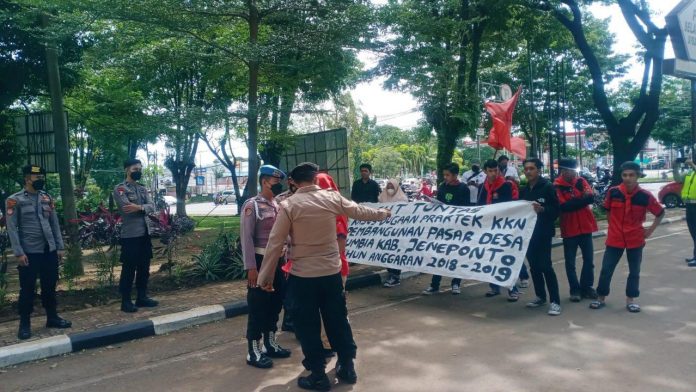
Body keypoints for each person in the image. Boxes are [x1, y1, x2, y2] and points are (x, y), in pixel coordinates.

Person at [257, 162, 390, 390]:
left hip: (303, 278)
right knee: (337, 319)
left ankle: (318, 374)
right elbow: (359, 211)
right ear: (316, 179)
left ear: (294, 183)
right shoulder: (331, 198)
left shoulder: (289, 205)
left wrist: (265, 277)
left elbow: (275, 242)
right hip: (331, 274)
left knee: (308, 325)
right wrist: (383, 214)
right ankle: (347, 366)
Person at [6, 164, 72, 340]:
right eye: (37, 178)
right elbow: (12, 229)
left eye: (42, 177)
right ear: (27, 179)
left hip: (48, 250)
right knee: (27, 289)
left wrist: (59, 247)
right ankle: (25, 324)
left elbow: (54, 224)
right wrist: (19, 253)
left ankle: (52, 317)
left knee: (49, 286)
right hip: (29, 252)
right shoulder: (14, 200)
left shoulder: (47, 198)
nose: (41, 180)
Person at [591, 162, 665, 312]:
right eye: (625, 175)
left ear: (638, 176)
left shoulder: (645, 196)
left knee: (634, 271)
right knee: (606, 269)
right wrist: (612, 226)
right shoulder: (613, 192)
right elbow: (608, 210)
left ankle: (630, 300)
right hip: (615, 238)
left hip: (635, 239)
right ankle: (600, 297)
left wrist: (649, 231)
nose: (627, 178)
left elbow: (660, 213)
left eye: (631, 175)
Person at [241, 164, 291, 368]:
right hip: (260, 262)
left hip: (279, 262)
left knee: (275, 304)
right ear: (264, 181)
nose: (278, 185)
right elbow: (246, 239)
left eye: (280, 182)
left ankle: (270, 343)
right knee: (258, 305)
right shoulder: (252, 205)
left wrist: (286, 263)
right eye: (275, 182)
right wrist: (251, 267)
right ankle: (253, 350)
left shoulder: (279, 205)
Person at [478, 159, 527, 301]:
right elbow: (480, 206)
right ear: (485, 171)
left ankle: (513, 289)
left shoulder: (506, 186)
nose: (493, 174)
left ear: (499, 171)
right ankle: (494, 287)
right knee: (490, 258)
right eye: (490, 171)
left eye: (495, 171)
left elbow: (509, 207)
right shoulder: (483, 187)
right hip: (488, 229)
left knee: (506, 259)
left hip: (504, 229)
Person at [114, 159, 159, 313]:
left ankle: (142, 297)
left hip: (145, 233)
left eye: (140, 168)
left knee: (144, 267)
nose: (138, 171)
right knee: (129, 269)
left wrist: (139, 207)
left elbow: (152, 206)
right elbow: (126, 207)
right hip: (130, 236)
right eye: (135, 168)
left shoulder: (142, 188)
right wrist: (143, 208)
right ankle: (125, 301)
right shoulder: (120, 189)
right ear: (127, 170)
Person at [422, 163, 471, 295]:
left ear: (455, 175)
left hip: (458, 228)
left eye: (448, 175)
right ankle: (434, 284)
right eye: (444, 175)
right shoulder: (443, 187)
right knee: (439, 255)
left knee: (456, 256)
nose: (445, 177)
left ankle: (456, 283)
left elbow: (466, 209)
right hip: (443, 227)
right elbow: (439, 202)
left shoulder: (464, 189)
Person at [520, 158, 562, 316]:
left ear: (538, 170)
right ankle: (540, 296)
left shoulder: (548, 187)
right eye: (526, 169)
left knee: (545, 266)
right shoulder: (524, 190)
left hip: (543, 233)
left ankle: (555, 301)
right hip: (528, 235)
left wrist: (543, 209)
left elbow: (556, 210)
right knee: (534, 267)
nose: (528, 171)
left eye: (531, 168)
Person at [554, 157, 599, 302]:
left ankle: (587, 288)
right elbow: (564, 206)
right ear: (563, 171)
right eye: (571, 171)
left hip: (586, 226)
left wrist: (576, 201)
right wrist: (582, 200)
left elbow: (591, 198)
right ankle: (575, 290)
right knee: (570, 263)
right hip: (569, 228)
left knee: (589, 260)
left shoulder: (581, 181)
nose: (574, 174)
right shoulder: (557, 186)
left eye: (575, 171)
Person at [380, 179, 409, 288]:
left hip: (397, 232)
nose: (390, 188)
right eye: (388, 186)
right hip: (385, 231)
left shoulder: (403, 199)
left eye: (392, 186)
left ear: (397, 187)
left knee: (395, 253)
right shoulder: (381, 197)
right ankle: (391, 273)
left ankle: (395, 276)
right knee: (386, 253)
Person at [673, 158, 696, 266]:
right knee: (693, 232)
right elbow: (678, 179)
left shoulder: (693, 169)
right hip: (689, 206)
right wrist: (675, 167)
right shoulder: (689, 172)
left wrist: (692, 164)